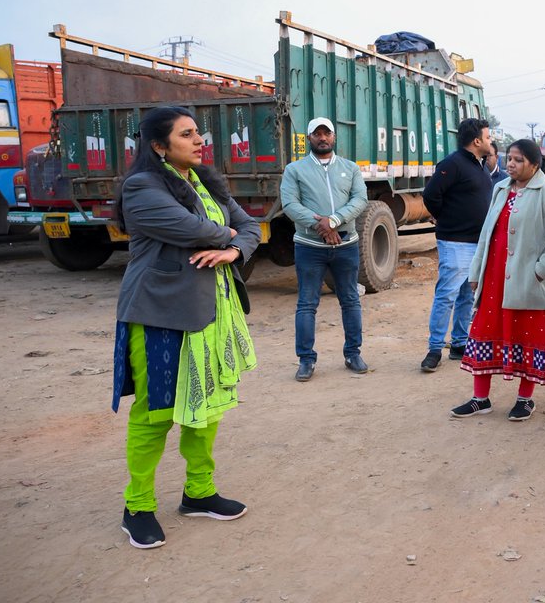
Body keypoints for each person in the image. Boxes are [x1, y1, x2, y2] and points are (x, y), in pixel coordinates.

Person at [111, 106, 260, 550]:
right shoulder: (141, 187)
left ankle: (198, 493)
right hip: (160, 313)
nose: (200, 141)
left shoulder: (204, 182)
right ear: (159, 146)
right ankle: (137, 506)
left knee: (207, 406)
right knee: (155, 413)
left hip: (211, 312)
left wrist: (236, 249)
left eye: (199, 133)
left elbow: (250, 225)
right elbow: (190, 228)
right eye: (187, 134)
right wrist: (227, 234)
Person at [450, 140, 545, 421]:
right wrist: (476, 270)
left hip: (528, 280)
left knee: (526, 334)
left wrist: (541, 270)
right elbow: (486, 234)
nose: (511, 164)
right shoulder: (500, 188)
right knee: (485, 332)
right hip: (493, 277)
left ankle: (525, 399)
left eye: (518, 160)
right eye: (510, 159)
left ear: (534, 164)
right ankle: (480, 399)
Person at [279, 117, 370, 382]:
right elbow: (290, 204)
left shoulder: (350, 168)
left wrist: (334, 221)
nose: (322, 138)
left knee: (350, 300)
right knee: (307, 304)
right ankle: (306, 360)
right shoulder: (295, 170)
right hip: (309, 247)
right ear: (309, 139)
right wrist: (320, 225)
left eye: (326, 133)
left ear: (334, 137)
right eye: (316, 134)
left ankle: (353, 353)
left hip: (346, 245)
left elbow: (360, 199)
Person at [421, 118, 494, 371]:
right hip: (455, 242)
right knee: (447, 295)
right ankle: (434, 348)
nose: (490, 141)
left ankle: (460, 343)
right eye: (487, 137)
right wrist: (447, 219)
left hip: (477, 244)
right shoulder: (453, 164)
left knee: (467, 295)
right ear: (476, 141)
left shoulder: (480, 166)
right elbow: (431, 195)